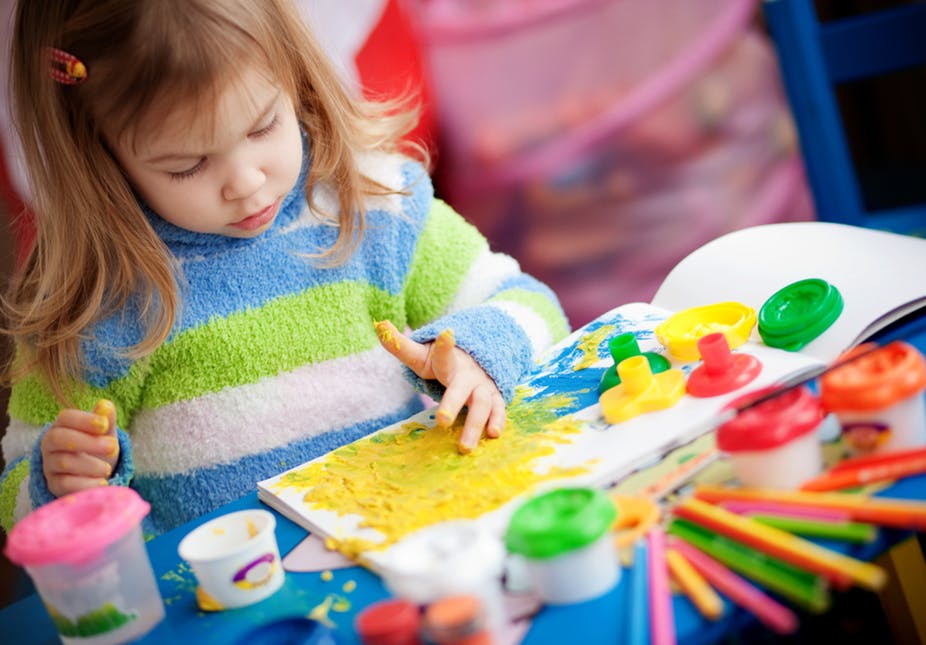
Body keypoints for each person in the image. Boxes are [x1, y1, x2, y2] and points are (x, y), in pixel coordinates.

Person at [0, 0, 569, 537]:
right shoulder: (98, 300)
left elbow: (533, 305)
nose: (246, 182)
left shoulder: (372, 204)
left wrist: (483, 349)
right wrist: (57, 481)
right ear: (97, 154)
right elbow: (19, 500)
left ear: (294, 78)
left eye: (262, 126)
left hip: (415, 546)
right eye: (186, 165)